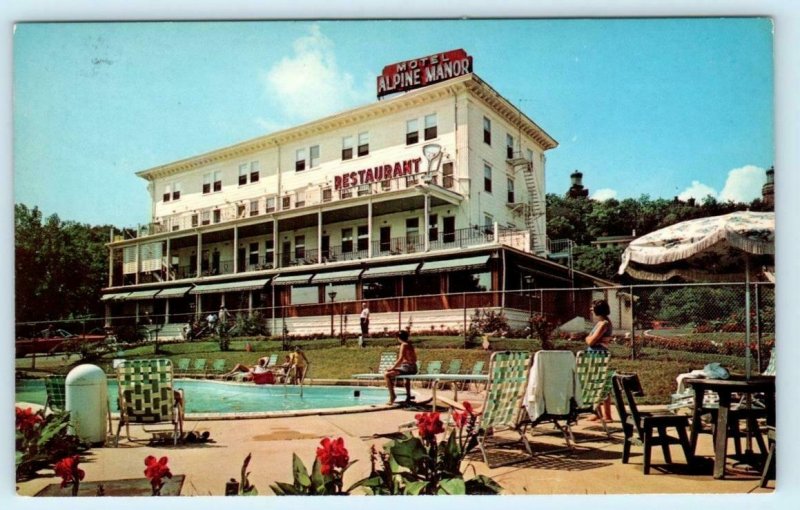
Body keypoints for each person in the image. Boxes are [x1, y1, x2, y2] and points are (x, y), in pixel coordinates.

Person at [585, 298, 613, 421]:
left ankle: (606, 415)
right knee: (595, 383)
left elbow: (591, 341)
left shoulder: (604, 324)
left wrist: (588, 338)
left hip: (598, 354)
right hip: (594, 353)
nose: (591, 309)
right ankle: (597, 412)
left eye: (593, 307)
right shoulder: (600, 323)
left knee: (600, 383)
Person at [384, 330, 418, 405]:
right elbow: (414, 359)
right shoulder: (410, 344)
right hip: (414, 368)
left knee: (387, 375)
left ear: (399, 338)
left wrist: (392, 368)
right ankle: (408, 396)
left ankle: (392, 396)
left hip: (408, 367)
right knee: (407, 378)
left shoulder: (404, 345)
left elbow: (400, 358)